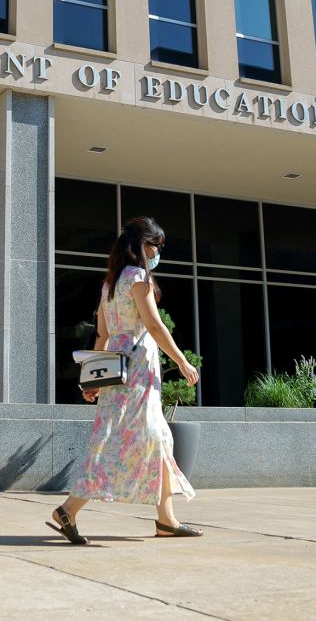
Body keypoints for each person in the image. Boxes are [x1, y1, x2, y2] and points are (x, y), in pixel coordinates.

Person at [47, 216, 203, 545]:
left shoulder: (109, 285)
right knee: (121, 443)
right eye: (157, 246)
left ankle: (166, 520)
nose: (159, 252)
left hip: (118, 370)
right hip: (137, 375)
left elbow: (103, 335)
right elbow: (156, 326)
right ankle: (68, 509)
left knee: (157, 436)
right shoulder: (137, 278)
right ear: (143, 246)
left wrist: (91, 380)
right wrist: (183, 362)